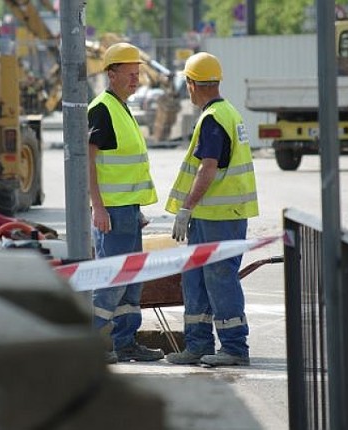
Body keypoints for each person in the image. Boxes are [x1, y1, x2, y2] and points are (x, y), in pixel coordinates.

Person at [164, 52, 259, 367]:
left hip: (217, 218)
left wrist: (185, 208)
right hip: (217, 218)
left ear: (192, 84)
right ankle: (198, 344)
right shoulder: (226, 112)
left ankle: (234, 347)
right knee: (197, 281)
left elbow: (208, 168)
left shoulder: (213, 118)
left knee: (219, 280)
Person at [87, 42, 164, 364]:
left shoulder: (121, 107)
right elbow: (88, 162)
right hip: (112, 213)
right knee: (112, 282)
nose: (136, 80)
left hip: (127, 211)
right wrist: (99, 208)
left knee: (131, 283)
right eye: (130, 74)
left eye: (138, 74)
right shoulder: (102, 109)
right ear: (111, 74)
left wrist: (136, 210)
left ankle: (125, 342)